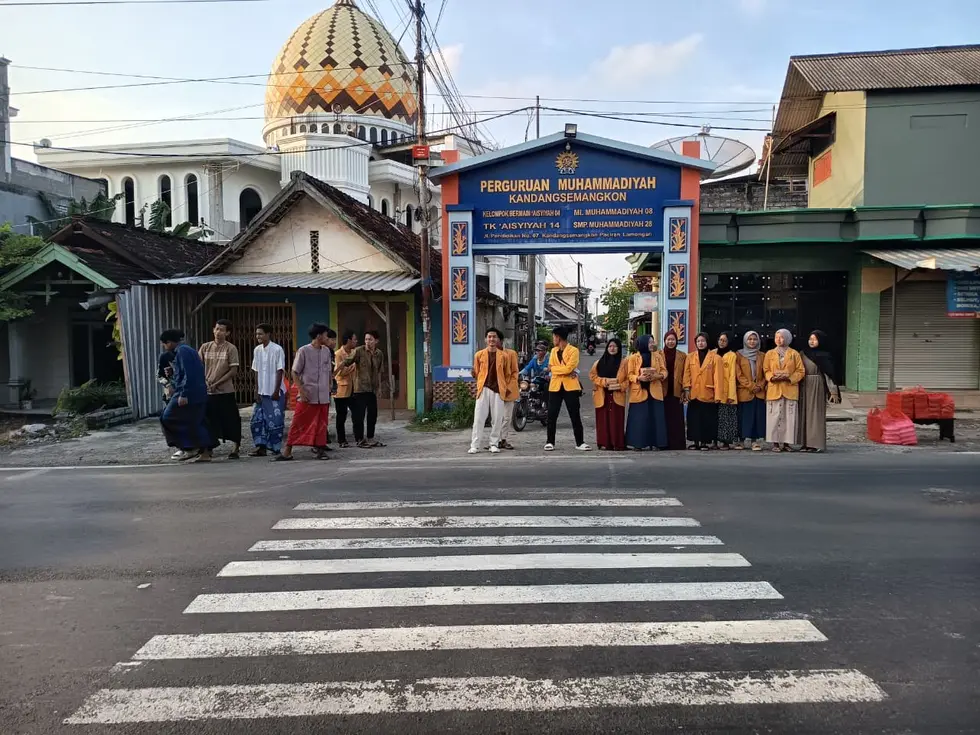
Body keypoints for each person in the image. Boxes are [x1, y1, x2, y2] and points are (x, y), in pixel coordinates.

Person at [276, 324, 336, 461]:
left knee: (322, 423)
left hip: (323, 395)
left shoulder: (327, 351)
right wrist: (301, 390)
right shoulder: (303, 351)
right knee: (299, 421)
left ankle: (320, 449)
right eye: (326, 335)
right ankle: (287, 450)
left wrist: (330, 385)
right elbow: (294, 372)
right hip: (308, 394)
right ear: (319, 335)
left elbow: (328, 371)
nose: (327, 338)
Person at [159, 328, 213, 462]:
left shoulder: (182, 352)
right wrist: (173, 373)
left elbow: (189, 374)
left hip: (189, 393)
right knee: (195, 422)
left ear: (170, 342)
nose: (165, 347)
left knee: (168, 417)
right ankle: (204, 452)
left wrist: (184, 394)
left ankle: (188, 446)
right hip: (196, 392)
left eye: (165, 344)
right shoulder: (187, 351)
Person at [198, 319, 242, 460]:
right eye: (217, 329)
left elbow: (233, 370)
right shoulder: (205, 347)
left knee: (231, 419)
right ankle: (208, 448)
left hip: (225, 390)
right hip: (208, 390)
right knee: (208, 420)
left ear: (228, 333)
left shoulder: (231, 348)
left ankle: (236, 447)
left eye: (222, 330)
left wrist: (218, 382)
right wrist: (205, 382)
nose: (218, 332)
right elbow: (198, 367)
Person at [469, 328, 516, 454]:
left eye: (494, 337)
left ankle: (494, 444)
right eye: (489, 336)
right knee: (478, 418)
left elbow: (507, 374)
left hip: (498, 390)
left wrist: (506, 388)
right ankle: (475, 444)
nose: (492, 339)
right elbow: (477, 372)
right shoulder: (479, 355)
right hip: (483, 389)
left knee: (497, 418)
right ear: (485, 339)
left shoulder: (504, 356)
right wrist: (474, 375)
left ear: (498, 339)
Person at [545, 326, 590, 452]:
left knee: (574, 414)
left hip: (571, 386)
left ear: (558, 337)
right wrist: (556, 369)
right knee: (552, 415)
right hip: (555, 386)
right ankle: (550, 441)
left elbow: (569, 368)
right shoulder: (553, 351)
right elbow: (550, 366)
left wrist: (554, 369)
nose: (553, 339)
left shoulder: (573, 350)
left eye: (554, 336)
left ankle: (580, 442)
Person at [798, 329, 842, 453]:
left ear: (820, 341)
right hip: (804, 386)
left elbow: (829, 375)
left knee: (815, 415)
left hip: (817, 386)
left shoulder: (825, 356)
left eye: (814, 339)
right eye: (810, 339)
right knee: (804, 414)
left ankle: (815, 443)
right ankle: (805, 443)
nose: (811, 341)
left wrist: (833, 391)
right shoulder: (803, 353)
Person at [763, 328, 806, 452]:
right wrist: (771, 377)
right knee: (774, 416)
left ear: (787, 338)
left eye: (782, 337)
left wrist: (790, 378)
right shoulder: (770, 354)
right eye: (777, 337)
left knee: (789, 417)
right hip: (774, 388)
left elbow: (800, 371)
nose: (779, 340)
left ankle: (787, 443)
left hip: (789, 389)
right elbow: (766, 370)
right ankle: (775, 443)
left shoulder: (794, 354)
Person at [624, 334, 669, 451]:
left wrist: (658, 376)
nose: (652, 344)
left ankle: (657, 442)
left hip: (655, 390)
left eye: (653, 342)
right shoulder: (633, 358)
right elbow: (629, 375)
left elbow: (664, 371)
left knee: (656, 417)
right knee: (639, 418)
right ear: (643, 343)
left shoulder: (658, 356)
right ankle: (637, 443)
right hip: (639, 391)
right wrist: (638, 378)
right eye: (649, 342)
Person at [249, 323, 286, 457]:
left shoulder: (277, 349)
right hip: (261, 391)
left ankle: (275, 447)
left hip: (274, 391)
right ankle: (261, 447)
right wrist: (256, 389)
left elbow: (280, 370)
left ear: (268, 334)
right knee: (257, 420)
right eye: (257, 333)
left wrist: (276, 391)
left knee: (275, 420)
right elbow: (256, 371)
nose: (258, 336)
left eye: (260, 333)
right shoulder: (257, 350)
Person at [345, 330, 387, 448]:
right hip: (360, 388)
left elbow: (379, 372)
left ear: (376, 341)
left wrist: (379, 388)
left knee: (372, 415)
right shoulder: (359, 351)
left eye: (370, 339)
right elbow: (346, 362)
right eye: (366, 339)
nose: (368, 342)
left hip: (372, 389)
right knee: (359, 415)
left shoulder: (379, 354)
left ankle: (370, 437)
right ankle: (359, 439)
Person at [683, 332, 719, 451]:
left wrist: (718, 394)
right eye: (698, 341)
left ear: (707, 342)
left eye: (703, 341)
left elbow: (717, 377)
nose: (700, 343)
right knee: (694, 419)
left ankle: (704, 442)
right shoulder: (690, 357)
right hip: (694, 392)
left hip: (708, 392)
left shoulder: (715, 357)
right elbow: (687, 374)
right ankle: (695, 442)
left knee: (707, 419)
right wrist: (686, 389)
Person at [589, 337, 626, 451]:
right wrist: (604, 382)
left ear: (619, 348)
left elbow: (628, 379)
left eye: (615, 346)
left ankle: (617, 443)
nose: (612, 348)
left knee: (616, 420)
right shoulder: (599, 362)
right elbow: (593, 376)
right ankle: (603, 442)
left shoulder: (624, 363)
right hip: (602, 394)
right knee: (603, 420)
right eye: (610, 346)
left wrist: (620, 385)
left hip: (617, 394)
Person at [736, 330, 768, 451]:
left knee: (757, 417)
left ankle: (755, 441)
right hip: (745, 391)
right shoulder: (739, 355)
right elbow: (738, 374)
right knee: (743, 416)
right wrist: (750, 386)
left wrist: (760, 385)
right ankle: (741, 440)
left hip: (758, 391)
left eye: (754, 339)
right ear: (745, 340)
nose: (752, 341)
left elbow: (766, 372)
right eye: (749, 339)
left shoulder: (762, 355)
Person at [713, 332, 740, 450]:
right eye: (720, 340)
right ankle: (714, 441)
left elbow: (732, 376)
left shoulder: (732, 355)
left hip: (726, 391)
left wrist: (731, 394)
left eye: (724, 340)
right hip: (713, 390)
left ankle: (726, 442)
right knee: (714, 417)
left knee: (727, 418)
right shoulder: (712, 353)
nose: (721, 342)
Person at [662, 330, 687, 450]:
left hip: (677, 389)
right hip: (662, 391)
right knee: (663, 418)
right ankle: (663, 442)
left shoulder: (682, 356)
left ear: (676, 341)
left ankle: (677, 443)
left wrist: (685, 389)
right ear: (664, 341)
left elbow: (686, 373)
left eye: (673, 340)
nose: (670, 342)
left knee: (676, 419)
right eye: (668, 339)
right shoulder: (658, 355)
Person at [333, 330, 358, 448]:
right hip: (341, 389)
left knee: (357, 413)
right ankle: (341, 440)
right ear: (348, 340)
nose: (356, 341)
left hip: (354, 387)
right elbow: (339, 372)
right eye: (354, 339)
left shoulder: (355, 352)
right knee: (341, 415)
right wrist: (352, 367)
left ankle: (358, 437)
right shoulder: (338, 354)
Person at [496, 342, 520, 450]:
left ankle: (503, 439)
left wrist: (508, 388)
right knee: (496, 418)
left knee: (506, 417)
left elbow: (515, 373)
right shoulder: (488, 354)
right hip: (495, 390)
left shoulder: (511, 354)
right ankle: (495, 441)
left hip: (508, 391)